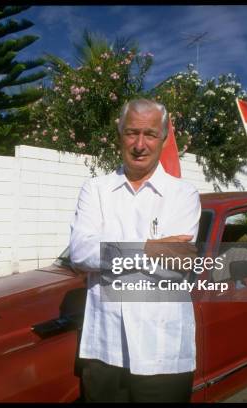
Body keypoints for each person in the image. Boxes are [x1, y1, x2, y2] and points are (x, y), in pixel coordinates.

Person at [69, 98, 201, 402]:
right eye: (131, 133)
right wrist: (146, 247)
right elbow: (80, 253)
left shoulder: (184, 195)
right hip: (105, 348)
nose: (140, 144)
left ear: (164, 139)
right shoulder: (95, 189)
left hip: (162, 352)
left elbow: (175, 264)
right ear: (119, 135)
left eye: (150, 134)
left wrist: (110, 247)